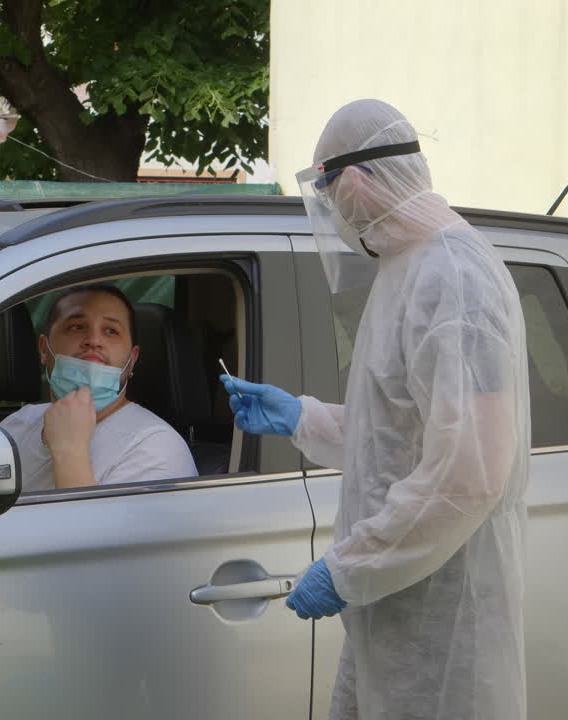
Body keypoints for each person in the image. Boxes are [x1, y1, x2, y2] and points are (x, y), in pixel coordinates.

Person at [220, 99, 530, 720]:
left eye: (328, 188)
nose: (331, 209)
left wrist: (350, 566)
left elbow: (469, 472)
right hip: (393, 611)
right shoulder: (406, 267)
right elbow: (397, 435)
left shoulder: (455, 277)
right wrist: (301, 416)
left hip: (443, 617)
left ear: (356, 179)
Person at [0, 284, 198, 491]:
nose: (94, 341)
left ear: (132, 360)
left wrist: (70, 451)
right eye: (77, 327)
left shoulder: (157, 448)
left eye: (111, 331)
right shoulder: (18, 424)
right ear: (43, 349)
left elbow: (89, 524)